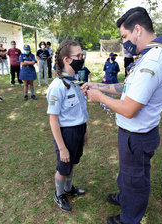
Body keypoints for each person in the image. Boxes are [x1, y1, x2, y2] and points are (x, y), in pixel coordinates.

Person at [81, 7, 162, 224]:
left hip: (137, 135)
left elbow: (129, 109)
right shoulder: (152, 54)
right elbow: (128, 87)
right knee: (129, 173)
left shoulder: (153, 60)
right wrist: (98, 85)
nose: (124, 42)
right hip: (136, 134)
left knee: (135, 179)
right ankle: (125, 198)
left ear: (138, 30)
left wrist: (99, 97)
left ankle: (129, 218)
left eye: (125, 36)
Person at [46, 40, 88, 212]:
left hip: (79, 129)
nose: (81, 58)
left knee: (73, 163)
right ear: (66, 60)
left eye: (81, 55)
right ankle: (59, 193)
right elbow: (53, 120)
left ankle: (69, 189)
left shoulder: (75, 81)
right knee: (63, 167)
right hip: (66, 133)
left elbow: (81, 110)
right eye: (78, 56)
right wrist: (62, 148)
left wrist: (85, 131)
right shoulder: (57, 86)